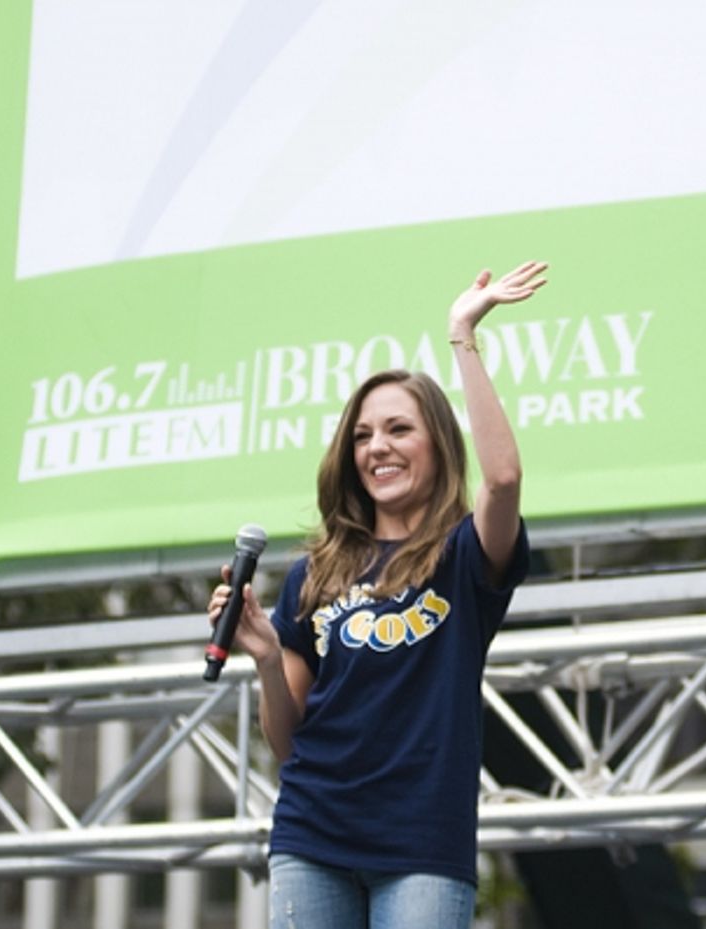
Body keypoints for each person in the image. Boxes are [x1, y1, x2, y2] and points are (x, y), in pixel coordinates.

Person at [208, 261, 548, 929]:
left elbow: (503, 480)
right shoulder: (316, 572)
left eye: (398, 429)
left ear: (436, 444)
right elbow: (289, 742)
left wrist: (462, 337)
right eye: (362, 435)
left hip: (421, 840)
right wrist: (268, 658)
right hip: (312, 832)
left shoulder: (464, 556)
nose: (378, 447)